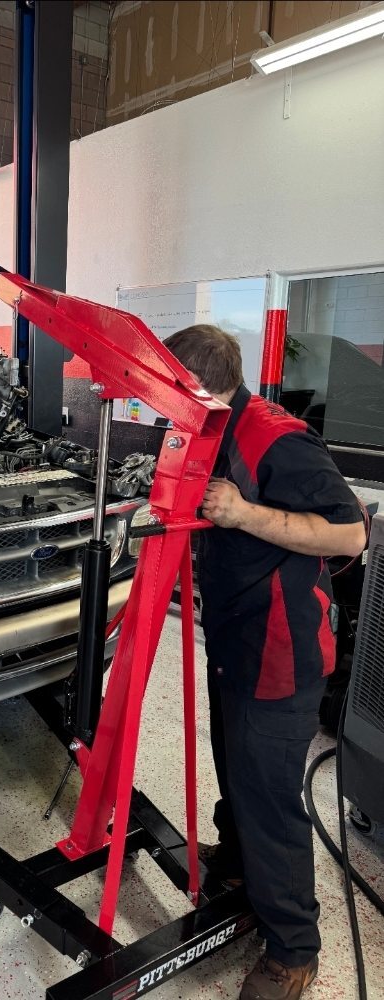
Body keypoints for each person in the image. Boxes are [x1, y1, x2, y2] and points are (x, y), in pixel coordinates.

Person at [163, 325, 366, 1000]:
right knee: (235, 763)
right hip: (235, 636)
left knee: (270, 796)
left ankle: (293, 950)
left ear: (198, 388)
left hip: (281, 648)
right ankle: (240, 863)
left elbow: (351, 534)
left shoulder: (278, 440)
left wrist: (243, 514)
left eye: (170, 391)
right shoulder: (213, 426)